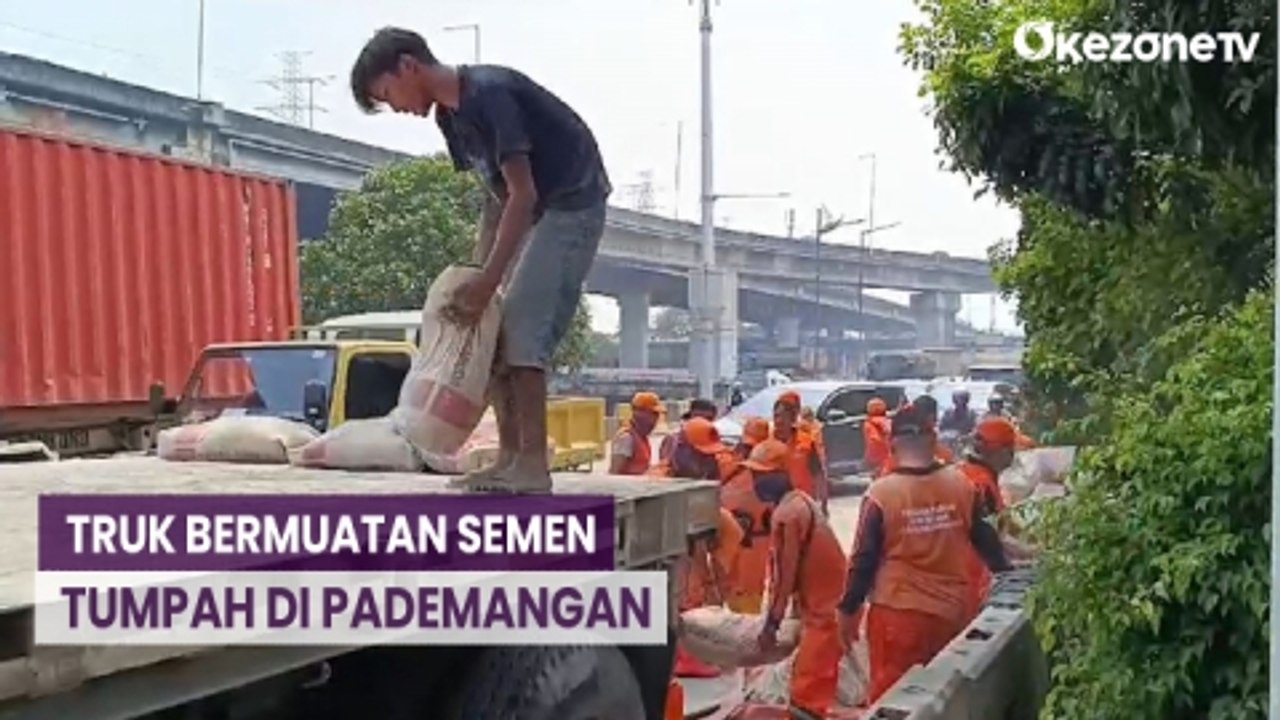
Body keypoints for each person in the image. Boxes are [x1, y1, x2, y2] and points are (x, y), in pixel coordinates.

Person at [350, 28, 611, 494]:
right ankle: (509, 458)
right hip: (532, 207)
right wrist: (476, 275)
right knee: (490, 331)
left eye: (388, 95)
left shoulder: (489, 94)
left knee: (525, 328)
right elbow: (496, 199)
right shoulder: (450, 120)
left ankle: (533, 464)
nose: (396, 109)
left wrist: (490, 280)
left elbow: (524, 193)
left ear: (409, 66)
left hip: (572, 201)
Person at [837, 406, 1012, 705]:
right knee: (944, 701)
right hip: (952, 616)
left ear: (893, 445)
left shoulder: (882, 494)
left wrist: (846, 613)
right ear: (933, 440)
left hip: (897, 617)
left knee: (893, 703)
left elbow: (862, 563)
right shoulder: (962, 485)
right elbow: (990, 546)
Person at [753, 439, 847, 720]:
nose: (756, 482)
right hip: (828, 607)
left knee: (806, 695)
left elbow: (784, 578)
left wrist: (771, 625)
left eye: (762, 475)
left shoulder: (787, 515)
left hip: (823, 613)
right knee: (814, 687)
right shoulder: (801, 501)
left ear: (781, 474)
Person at [955, 417, 1020, 619]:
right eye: (1011, 449)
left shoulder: (965, 472)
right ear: (999, 451)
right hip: (970, 577)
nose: (1013, 455)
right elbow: (994, 534)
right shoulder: (982, 483)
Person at [720, 439, 793, 614]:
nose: (757, 476)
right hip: (738, 570)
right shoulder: (736, 480)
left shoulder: (793, 504)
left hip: (750, 570)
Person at [772, 391, 828, 514]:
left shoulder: (807, 442)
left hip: (804, 506)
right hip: (776, 507)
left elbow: (818, 475)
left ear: (792, 418)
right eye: (776, 416)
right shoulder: (767, 444)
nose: (778, 421)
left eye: (783, 416)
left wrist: (823, 503)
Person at [652, 417, 734, 481]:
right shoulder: (656, 481)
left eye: (712, 454)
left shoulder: (720, 465)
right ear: (681, 448)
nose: (709, 459)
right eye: (701, 454)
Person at [610, 392, 662, 475]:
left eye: (657, 415)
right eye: (652, 414)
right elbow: (614, 473)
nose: (655, 420)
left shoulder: (642, 437)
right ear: (638, 413)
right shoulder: (626, 438)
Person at [658, 398, 718, 466]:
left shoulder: (715, 441)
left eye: (708, 419)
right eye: (698, 417)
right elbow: (664, 467)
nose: (702, 422)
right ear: (690, 416)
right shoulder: (673, 440)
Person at [862, 398, 892, 476]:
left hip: (877, 458)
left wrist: (868, 458)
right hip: (890, 455)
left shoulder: (869, 424)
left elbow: (874, 442)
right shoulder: (888, 422)